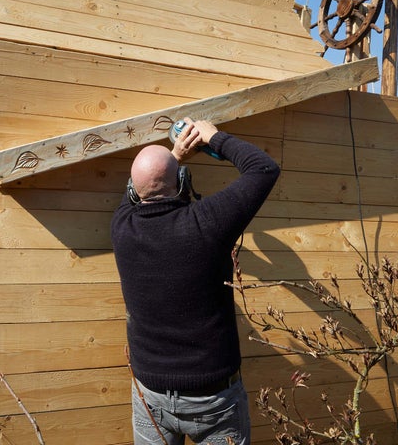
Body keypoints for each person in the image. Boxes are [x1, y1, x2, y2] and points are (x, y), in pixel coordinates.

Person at [111, 117, 280, 445]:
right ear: (185, 181)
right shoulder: (207, 223)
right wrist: (214, 137)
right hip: (213, 401)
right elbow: (263, 169)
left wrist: (174, 155)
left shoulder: (121, 228)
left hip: (150, 394)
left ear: (133, 191)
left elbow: (134, 193)